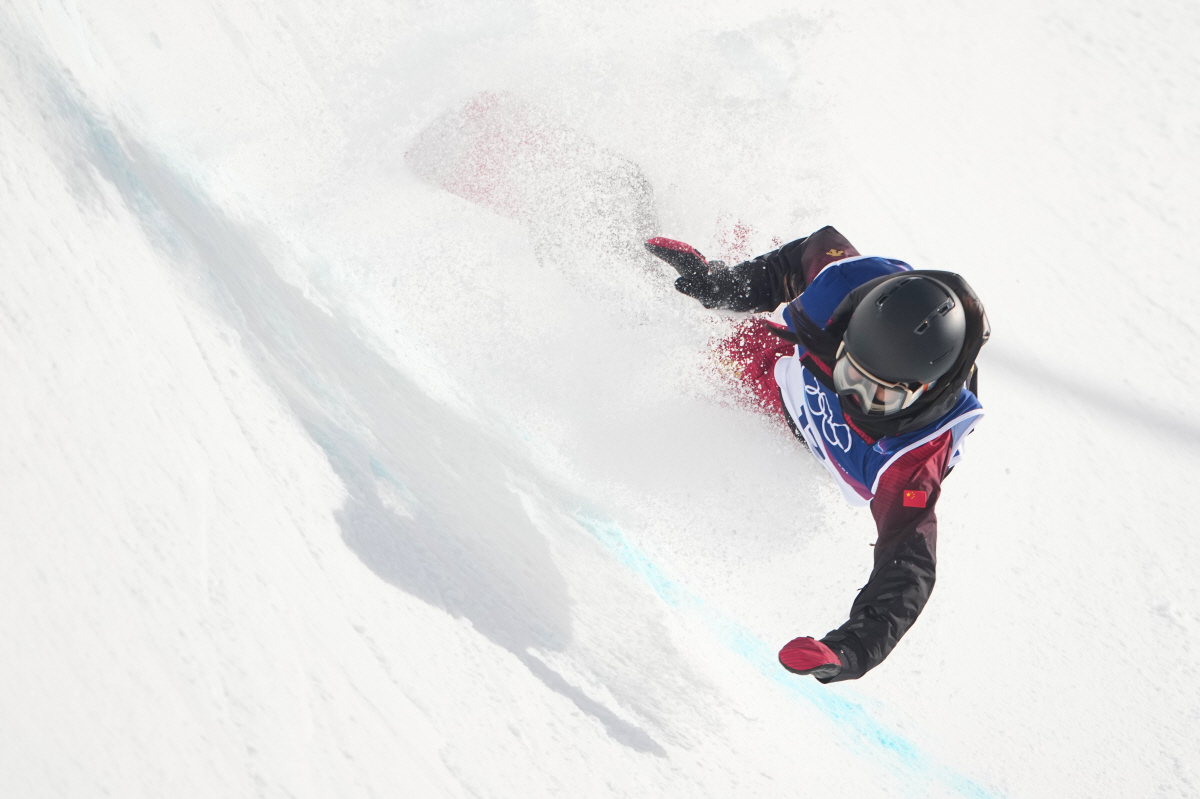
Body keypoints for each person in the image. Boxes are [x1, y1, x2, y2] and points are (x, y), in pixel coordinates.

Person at [645, 226, 990, 682]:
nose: (852, 396)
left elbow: (908, 568)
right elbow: (803, 257)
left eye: (877, 395)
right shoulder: (844, 287)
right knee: (665, 325)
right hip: (768, 359)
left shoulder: (912, 458)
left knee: (674, 411)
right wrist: (723, 285)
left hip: (782, 430)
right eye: (850, 371)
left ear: (922, 391)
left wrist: (848, 650)